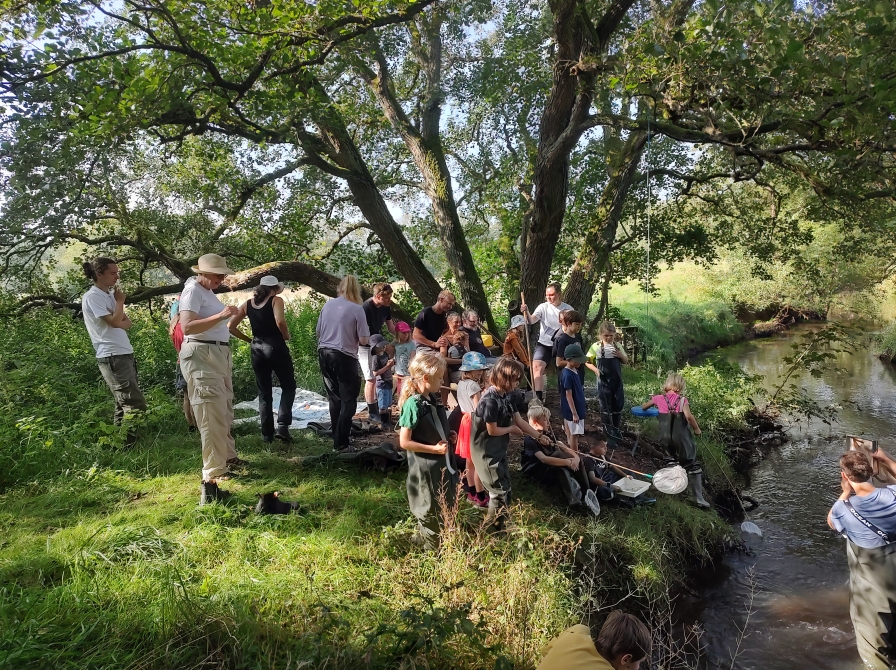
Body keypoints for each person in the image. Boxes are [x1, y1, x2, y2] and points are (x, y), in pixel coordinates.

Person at [179, 253, 246, 505]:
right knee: (209, 410)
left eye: (223, 274)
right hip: (202, 354)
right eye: (219, 274)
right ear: (204, 273)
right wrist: (221, 316)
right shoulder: (192, 290)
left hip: (216, 353)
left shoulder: (205, 291)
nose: (222, 278)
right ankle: (214, 471)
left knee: (223, 407)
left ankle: (228, 457)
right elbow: (187, 327)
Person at [827, 449, 896, 669]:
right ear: (871, 471)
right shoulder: (893, 494)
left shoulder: (843, 509)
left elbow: (830, 522)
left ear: (845, 476)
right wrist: (886, 460)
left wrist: (845, 493)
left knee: (873, 647)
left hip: (874, 591)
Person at [470, 357, 551, 533]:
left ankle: (502, 522)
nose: (517, 383)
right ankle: (492, 530)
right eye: (515, 380)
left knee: (506, 484)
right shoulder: (489, 401)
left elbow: (519, 420)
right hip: (485, 451)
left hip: (497, 449)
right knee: (498, 491)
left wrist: (538, 436)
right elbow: (492, 431)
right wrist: (511, 429)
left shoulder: (508, 396)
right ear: (505, 379)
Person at [81, 257, 147, 446]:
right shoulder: (93, 296)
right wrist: (120, 302)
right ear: (99, 274)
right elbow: (116, 322)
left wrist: (117, 309)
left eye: (118, 272)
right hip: (111, 355)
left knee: (123, 403)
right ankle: (128, 445)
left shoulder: (109, 295)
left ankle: (120, 444)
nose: (117, 277)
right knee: (134, 403)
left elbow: (127, 323)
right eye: (113, 273)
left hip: (123, 352)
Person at [397, 352, 457, 549]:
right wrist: (433, 448)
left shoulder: (430, 398)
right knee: (428, 505)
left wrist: (448, 434)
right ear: (426, 378)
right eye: (440, 378)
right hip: (425, 467)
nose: (442, 381)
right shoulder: (414, 404)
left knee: (443, 500)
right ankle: (431, 553)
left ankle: (440, 541)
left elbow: (433, 426)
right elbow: (404, 442)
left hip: (440, 464)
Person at [227, 275, 297, 444]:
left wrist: (249, 340)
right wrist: (286, 335)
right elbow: (279, 320)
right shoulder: (276, 300)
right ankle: (283, 426)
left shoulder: (248, 304)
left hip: (257, 349)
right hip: (276, 347)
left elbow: (230, 326)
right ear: (274, 289)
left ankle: (267, 434)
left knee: (264, 392)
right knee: (288, 385)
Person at [316, 275, 370, 452]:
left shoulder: (327, 305)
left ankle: (337, 437)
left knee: (334, 398)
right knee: (349, 400)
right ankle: (342, 443)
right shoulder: (357, 309)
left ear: (339, 289)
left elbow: (318, 332)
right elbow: (363, 339)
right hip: (344, 356)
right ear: (357, 291)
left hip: (324, 353)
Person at [641, 372, 708, 508]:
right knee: (691, 465)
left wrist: (654, 400)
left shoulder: (659, 398)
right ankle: (699, 499)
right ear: (679, 387)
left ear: (667, 385)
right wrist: (697, 429)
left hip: (665, 438)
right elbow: (688, 417)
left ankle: (673, 492)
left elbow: (643, 407)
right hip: (681, 439)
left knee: (671, 462)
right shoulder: (683, 400)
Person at [521, 404, 601, 516]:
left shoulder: (547, 435)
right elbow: (544, 459)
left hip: (550, 467)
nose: (549, 423)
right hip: (536, 471)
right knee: (559, 457)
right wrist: (568, 462)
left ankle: (587, 492)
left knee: (568, 463)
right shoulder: (530, 440)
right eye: (545, 420)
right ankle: (573, 501)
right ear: (534, 422)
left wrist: (576, 458)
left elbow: (564, 447)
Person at [536, 610, 652, 670]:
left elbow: (545, 653)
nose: (638, 668)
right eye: (639, 663)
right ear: (625, 659)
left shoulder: (576, 632)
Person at [520, 282, 572, 401]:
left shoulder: (568, 309)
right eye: (546, 295)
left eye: (551, 295)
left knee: (566, 369)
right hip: (545, 343)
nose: (548, 297)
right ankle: (538, 398)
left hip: (562, 344)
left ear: (559, 294)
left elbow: (573, 328)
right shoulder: (543, 307)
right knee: (536, 366)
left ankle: (567, 396)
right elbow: (531, 321)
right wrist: (526, 312)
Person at [456, 352, 490, 508]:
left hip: (465, 421)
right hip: (474, 423)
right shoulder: (473, 385)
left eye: (482, 369)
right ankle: (481, 496)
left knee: (469, 461)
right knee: (477, 461)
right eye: (477, 369)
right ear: (468, 370)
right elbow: (478, 409)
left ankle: (471, 493)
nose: (481, 372)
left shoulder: (461, 383)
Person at [360, 283, 397, 425]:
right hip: (363, 343)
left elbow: (390, 326)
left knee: (391, 353)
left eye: (390, 297)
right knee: (370, 377)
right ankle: (372, 411)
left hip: (377, 340)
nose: (389, 300)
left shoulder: (386, 307)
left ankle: (384, 405)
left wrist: (402, 338)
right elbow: (358, 329)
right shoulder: (366, 307)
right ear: (377, 296)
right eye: (386, 298)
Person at [590, 321, 628, 444]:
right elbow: (586, 361)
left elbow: (626, 360)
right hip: (603, 381)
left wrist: (620, 355)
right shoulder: (596, 346)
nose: (609, 338)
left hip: (616, 381)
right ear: (601, 334)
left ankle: (616, 431)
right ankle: (606, 434)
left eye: (611, 335)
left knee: (617, 405)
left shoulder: (617, 345)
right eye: (606, 335)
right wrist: (595, 370)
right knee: (605, 406)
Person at [168, 293, 196, 431]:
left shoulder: (174, 325)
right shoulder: (186, 326)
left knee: (187, 396)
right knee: (195, 394)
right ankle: (198, 423)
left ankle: (190, 424)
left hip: (180, 361)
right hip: (192, 361)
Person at [583, 437, 632, 502]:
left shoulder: (603, 456)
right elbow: (592, 479)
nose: (606, 448)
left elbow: (612, 467)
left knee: (629, 473)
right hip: (599, 485)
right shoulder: (588, 460)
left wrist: (625, 475)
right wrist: (610, 485)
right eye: (603, 446)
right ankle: (622, 499)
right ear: (592, 447)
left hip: (608, 480)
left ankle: (629, 495)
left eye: (606, 446)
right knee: (605, 490)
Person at [559, 343, 588, 453]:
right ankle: (575, 454)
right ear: (569, 359)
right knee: (575, 434)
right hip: (574, 410)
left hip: (575, 407)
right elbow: (568, 395)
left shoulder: (574, 370)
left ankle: (571, 450)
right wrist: (574, 413)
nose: (580, 362)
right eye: (578, 360)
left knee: (571, 430)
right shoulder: (567, 374)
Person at [413, 290, 456, 355]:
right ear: (441, 300)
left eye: (452, 305)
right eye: (449, 303)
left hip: (438, 347)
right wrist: (434, 344)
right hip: (423, 347)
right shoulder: (425, 313)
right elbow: (415, 335)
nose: (450, 307)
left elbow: (445, 333)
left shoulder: (445, 315)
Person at [369, 334, 396, 430]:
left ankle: (388, 420)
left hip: (388, 382)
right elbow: (375, 373)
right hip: (382, 384)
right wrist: (387, 367)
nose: (384, 346)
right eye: (381, 345)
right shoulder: (376, 358)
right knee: (383, 404)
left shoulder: (385, 355)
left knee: (388, 403)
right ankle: (384, 423)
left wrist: (392, 364)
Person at [553, 309, 586, 386]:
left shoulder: (578, 338)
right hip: (567, 376)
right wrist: (573, 363)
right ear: (568, 324)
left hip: (579, 375)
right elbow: (558, 362)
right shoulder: (563, 340)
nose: (579, 327)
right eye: (577, 324)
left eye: (580, 324)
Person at [393, 321, 416, 398]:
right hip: (399, 372)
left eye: (407, 332)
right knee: (400, 391)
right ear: (397, 333)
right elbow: (388, 351)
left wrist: (411, 370)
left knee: (409, 391)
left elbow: (412, 358)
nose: (406, 335)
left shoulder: (412, 343)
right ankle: (401, 406)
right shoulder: (395, 343)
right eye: (403, 333)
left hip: (409, 372)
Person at [444, 320, 470, 385]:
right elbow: (445, 359)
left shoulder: (452, 348)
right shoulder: (444, 339)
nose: (458, 324)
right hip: (457, 371)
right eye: (456, 322)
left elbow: (469, 355)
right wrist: (462, 360)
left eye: (459, 322)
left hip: (462, 369)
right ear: (449, 322)